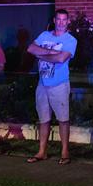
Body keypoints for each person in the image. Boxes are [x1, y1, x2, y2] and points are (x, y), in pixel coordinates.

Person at [26, 9, 77, 165]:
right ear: (54, 20)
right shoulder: (44, 35)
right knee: (44, 120)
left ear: (68, 21)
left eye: (64, 20)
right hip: (42, 84)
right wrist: (50, 53)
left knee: (63, 119)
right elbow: (30, 49)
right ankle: (42, 152)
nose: (61, 22)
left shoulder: (70, 40)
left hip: (59, 84)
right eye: (58, 19)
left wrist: (41, 54)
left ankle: (65, 152)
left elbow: (61, 58)